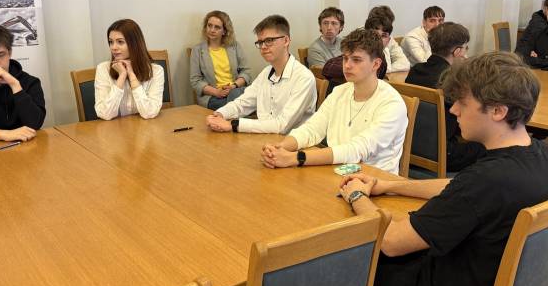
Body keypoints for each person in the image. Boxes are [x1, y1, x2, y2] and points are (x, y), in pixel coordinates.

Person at [340, 52, 548, 286]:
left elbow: (391, 241)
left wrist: (356, 194)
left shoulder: (487, 180)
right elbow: (458, 186)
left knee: (348, 277)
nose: (454, 110)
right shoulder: (544, 158)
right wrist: (389, 186)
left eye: (462, 102)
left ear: (497, 111)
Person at [261, 28, 408, 174]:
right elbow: (312, 129)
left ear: (376, 64)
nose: (347, 65)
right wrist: (280, 148)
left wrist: (295, 158)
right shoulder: (339, 92)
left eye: (356, 60)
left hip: (375, 179)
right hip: (336, 171)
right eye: (345, 58)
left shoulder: (392, 104)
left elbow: (357, 149)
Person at [207, 15, 316, 135]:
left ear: (286, 41)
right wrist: (220, 114)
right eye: (260, 42)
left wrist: (233, 125)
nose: (263, 47)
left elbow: (282, 125)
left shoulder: (304, 78)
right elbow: (243, 102)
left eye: (269, 41)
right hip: (265, 137)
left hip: (292, 142)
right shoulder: (266, 72)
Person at [405, 23, 487, 171]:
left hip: (409, 147)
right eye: (465, 48)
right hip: (443, 154)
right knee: (488, 143)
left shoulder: (415, 71)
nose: (465, 53)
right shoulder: (453, 80)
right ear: (457, 51)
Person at [94, 19, 164, 120]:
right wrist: (122, 76)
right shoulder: (103, 69)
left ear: (134, 44)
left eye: (120, 42)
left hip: (145, 127)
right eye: (111, 42)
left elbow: (149, 113)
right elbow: (105, 114)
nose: (113, 47)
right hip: (115, 128)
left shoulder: (156, 71)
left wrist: (131, 75)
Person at [190, 10, 251, 110]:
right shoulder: (197, 50)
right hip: (213, 97)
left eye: (217, 27)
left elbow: (246, 72)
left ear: (224, 31)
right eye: (209, 25)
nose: (212, 30)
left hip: (235, 90)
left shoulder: (234, 46)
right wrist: (216, 92)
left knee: (241, 98)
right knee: (238, 104)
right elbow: (195, 81)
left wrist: (234, 86)